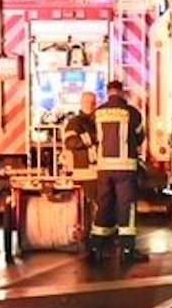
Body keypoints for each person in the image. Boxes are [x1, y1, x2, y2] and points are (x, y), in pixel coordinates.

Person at [88, 79, 148, 262]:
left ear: (108, 93)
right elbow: (140, 137)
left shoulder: (97, 113)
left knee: (103, 205)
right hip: (125, 167)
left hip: (104, 167)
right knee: (125, 207)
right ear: (122, 92)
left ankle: (96, 248)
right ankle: (127, 250)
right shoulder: (132, 113)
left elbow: (93, 137)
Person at [60, 90, 102, 244]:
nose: (91, 105)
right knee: (84, 208)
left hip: (96, 172)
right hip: (83, 173)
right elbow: (70, 142)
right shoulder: (75, 123)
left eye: (93, 103)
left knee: (96, 207)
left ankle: (93, 238)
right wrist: (91, 138)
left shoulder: (96, 122)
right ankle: (85, 238)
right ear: (82, 103)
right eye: (88, 102)